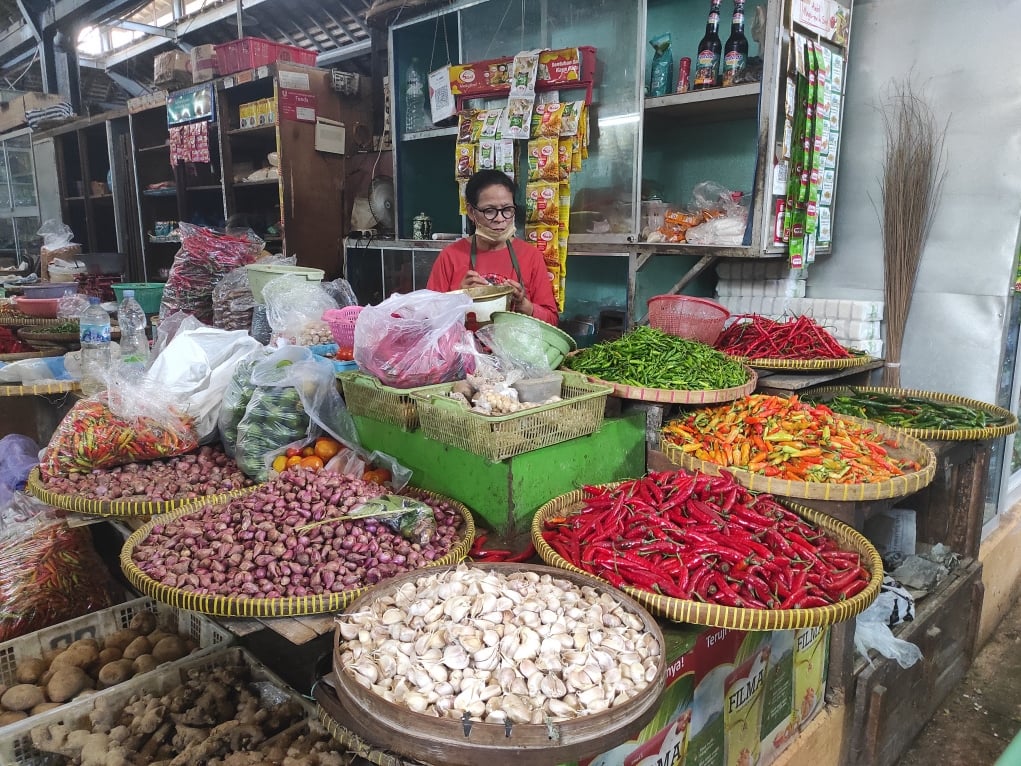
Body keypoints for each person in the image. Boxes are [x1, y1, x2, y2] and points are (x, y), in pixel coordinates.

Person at [426, 169, 560, 326]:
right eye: (490, 211)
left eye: (507, 210)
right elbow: (428, 321)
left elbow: (552, 321)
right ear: (471, 212)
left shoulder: (531, 256)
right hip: (463, 349)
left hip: (514, 349)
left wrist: (525, 305)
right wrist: (458, 301)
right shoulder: (450, 257)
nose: (500, 219)